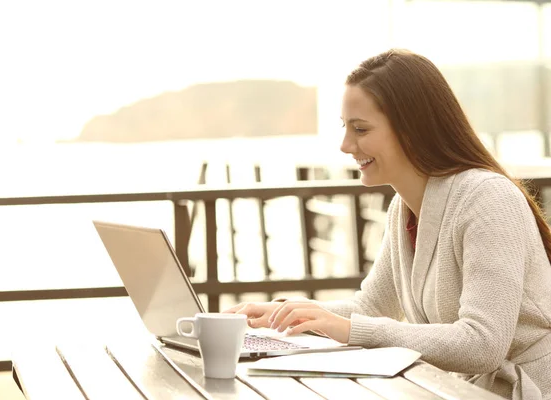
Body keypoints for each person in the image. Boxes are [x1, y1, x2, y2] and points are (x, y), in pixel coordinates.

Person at [224, 49, 551, 399]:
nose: (346, 145)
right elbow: (369, 309)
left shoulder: (488, 198)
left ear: (412, 130)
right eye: (345, 127)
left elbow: (481, 344)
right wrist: (288, 312)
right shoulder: (404, 207)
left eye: (360, 129)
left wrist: (352, 330)